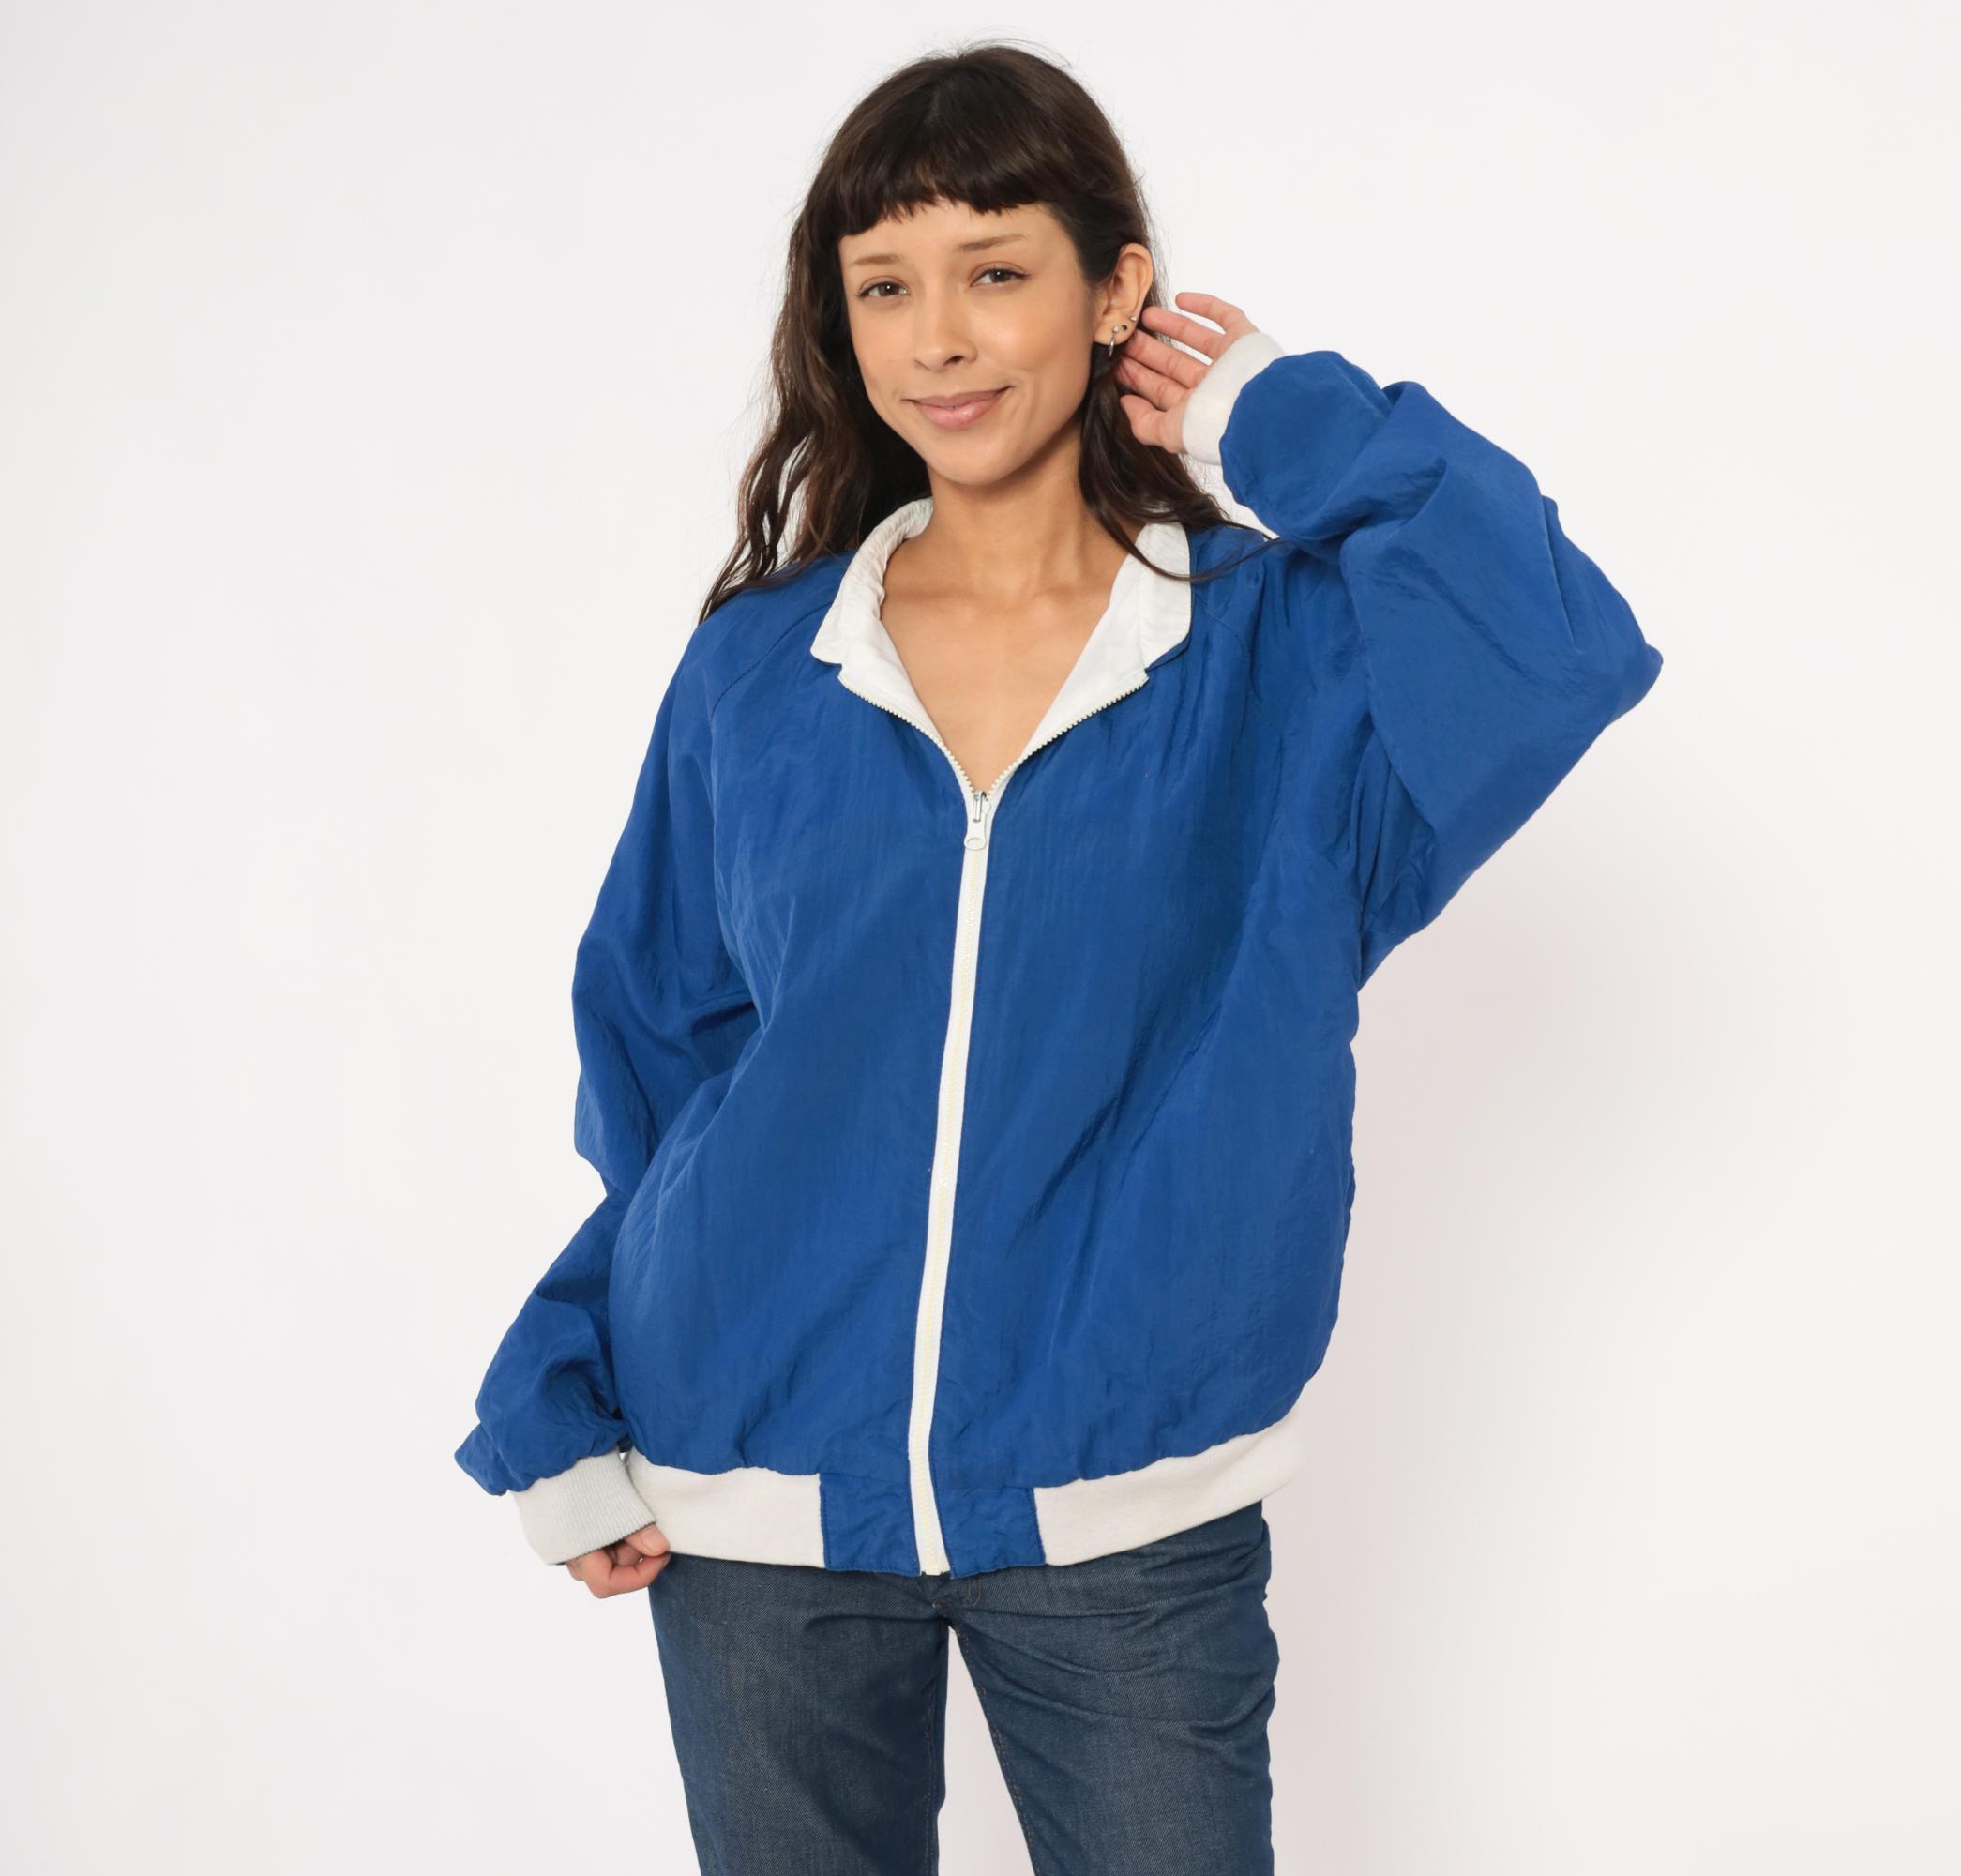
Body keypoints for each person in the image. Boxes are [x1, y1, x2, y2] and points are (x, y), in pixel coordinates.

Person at [452, 40, 1663, 1875]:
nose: (936, 338)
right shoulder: (762, 668)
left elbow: (1558, 647)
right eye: (883, 286)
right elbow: (671, 1068)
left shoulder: (1276, 657)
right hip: (755, 1507)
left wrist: (1283, 424)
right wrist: (568, 1373)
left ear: (1114, 294)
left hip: (1125, 1512)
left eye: (995, 270)